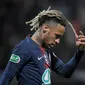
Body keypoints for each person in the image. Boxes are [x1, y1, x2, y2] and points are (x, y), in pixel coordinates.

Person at [0, 7, 85, 85]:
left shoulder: (47, 51)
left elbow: (66, 72)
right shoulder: (23, 48)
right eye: (57, 36)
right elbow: (6, 77)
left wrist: (80, 51)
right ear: (45, 28)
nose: (58, 41)